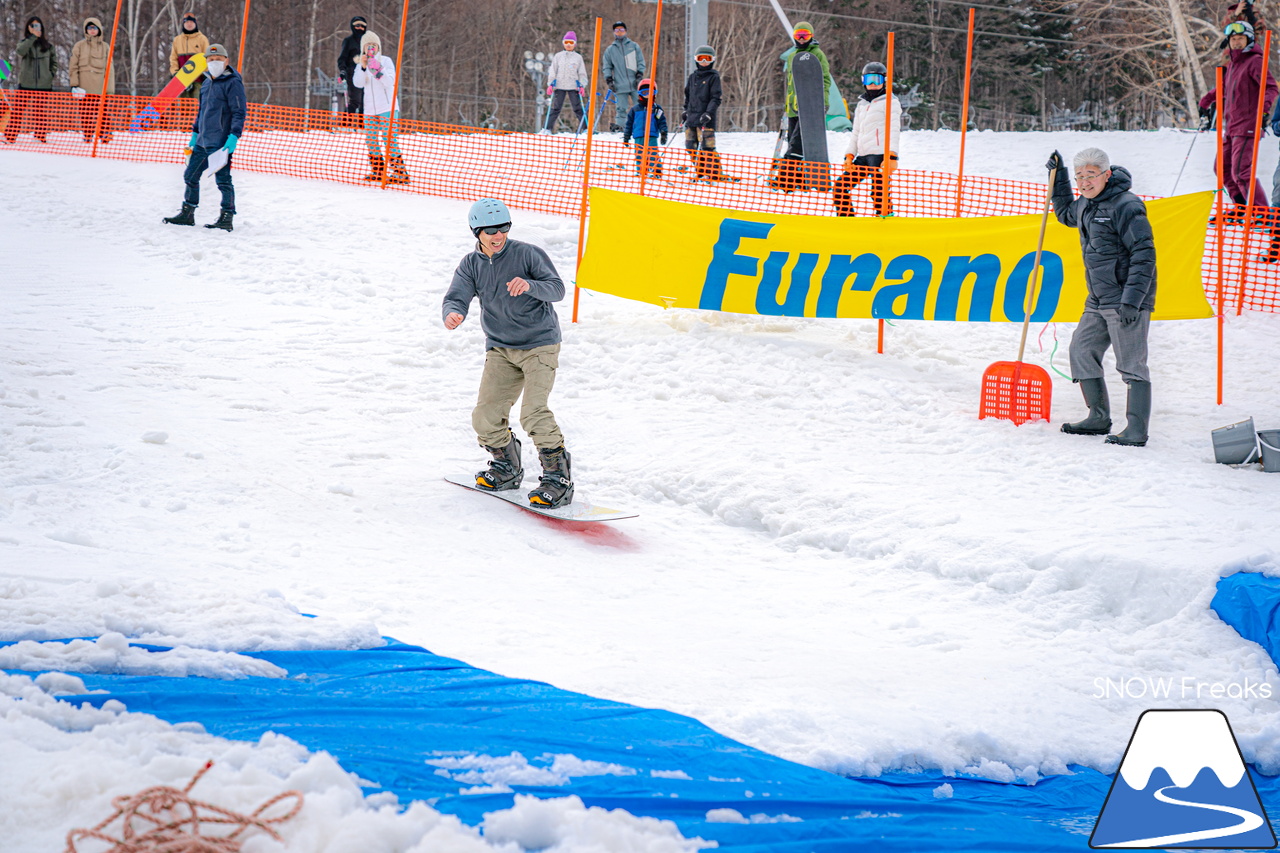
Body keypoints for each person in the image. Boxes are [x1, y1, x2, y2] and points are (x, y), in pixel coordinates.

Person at [442, 198, 575, 509]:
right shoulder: (471, 264)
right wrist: (453, 313)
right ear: (477, 232)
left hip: (539, 344)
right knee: (485, 417)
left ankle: (558, 480)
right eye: (490, 230)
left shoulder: (527, 254)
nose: (498, 235)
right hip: (501, 348)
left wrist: (530, 285)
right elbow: (456, 296)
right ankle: (506, 468)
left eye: (503, 228)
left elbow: (557, 289)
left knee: (533, 413)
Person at [1048, 148, 1157, 447]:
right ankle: (1098, 416)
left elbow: (1144, 255)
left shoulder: (1127, 206)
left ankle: (1136, 430)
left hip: (1126, 298)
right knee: (1081, 350)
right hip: (1098, 297)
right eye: (1080, 177)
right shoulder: (1085, 203)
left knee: (1131, 363)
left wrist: (1132, 300)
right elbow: (1065, 214)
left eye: (1090, 175)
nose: (1084, 182)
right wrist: (1059, 180)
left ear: (1107, 175)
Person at [163, 44, 245, 232]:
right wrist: (194, 134)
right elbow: (202, 112)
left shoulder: (233, 82)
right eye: (210, 60)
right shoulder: (206, 82)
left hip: (221, 142)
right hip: (202, 141)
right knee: (190, 175)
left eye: (218, 59)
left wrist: (233, 136)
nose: (214, 63)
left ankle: (227, 216)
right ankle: (188, 213)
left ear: (227, 61)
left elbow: (239, 112)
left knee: (223, 181)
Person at [1198, 21, 1276, 217]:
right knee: (1222, 168)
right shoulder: (1234, 64)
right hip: (1232, 126)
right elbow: (1223, 88)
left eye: (1240, 38)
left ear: (1249, 39)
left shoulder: (1255, 61)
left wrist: (1264, 112)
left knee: (1241, 172)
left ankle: (1261, 212)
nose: (1236, 43)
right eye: (1233, 39)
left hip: (1248, 125)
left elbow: (1271, 87)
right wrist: (1205, 102)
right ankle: (1242, 207)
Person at [833, 61, 900, 217]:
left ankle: (885, 224)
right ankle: (847, 220)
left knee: (879, 195)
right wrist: (849, 155)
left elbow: (894, 129)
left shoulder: (890, 102)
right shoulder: (862, 104)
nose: (871, 84)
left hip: (880, 157)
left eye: (876, 80)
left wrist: (892, 155)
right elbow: (856, 132)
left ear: (884, 81)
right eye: (868, 80)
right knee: (840, 187)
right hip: (862, 157)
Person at [778, 21, 832, 191]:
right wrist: (788, 107)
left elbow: (824, 80)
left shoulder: (817, 54)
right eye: (798, 36)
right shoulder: (793, 55)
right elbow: (791, 85)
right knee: (793, 143)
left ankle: (785, 180)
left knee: (796, 144)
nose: (801, 39)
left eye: (805, 36)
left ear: (811, 36)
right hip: (794, 109)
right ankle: (799, 180)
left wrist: (822, 103)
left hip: (810, 107)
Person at [352, 30, 409, 185]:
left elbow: (389, 81)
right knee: (371, 140)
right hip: (370, 109)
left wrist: (377, 69)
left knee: (389, 139)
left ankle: (400, 173)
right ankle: (377, 170)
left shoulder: (386, 61)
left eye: (374, 45)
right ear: (363, 48)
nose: (371, 48)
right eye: (368, 46)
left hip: (387, 108)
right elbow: (357, 83)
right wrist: (363, 68)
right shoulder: (361, 64)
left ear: (378, 47)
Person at [681, 44, 735, 182]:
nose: (704, 62)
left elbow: (716, 98)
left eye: (707, 59)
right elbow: (688, 96)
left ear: (712, 60)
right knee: (690, 146)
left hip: (706, 119)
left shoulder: (713, 77)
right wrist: (685, 111)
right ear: (696, 60)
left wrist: (708, 113)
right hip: (692, 118)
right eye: (701, 59)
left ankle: (714, 173)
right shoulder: (692, 77)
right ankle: (700, 170)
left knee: (707, 147)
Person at [5, 17, 57, 145]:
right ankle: (10, 136)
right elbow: (20, 51)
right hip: (26, 83)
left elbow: (54, 63)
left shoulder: (48, 46)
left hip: (43, 84)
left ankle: (40, 136)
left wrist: (50, 75)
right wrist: (32, 37)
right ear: (28, 28)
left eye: (38, 26)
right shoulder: (25, 43)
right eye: (33, 26)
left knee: (40, 112)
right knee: (18, 111)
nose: (36, 28)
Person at [70, 17, 116, 145]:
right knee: (85, 114)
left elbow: (109, 69)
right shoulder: (79, 46)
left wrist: (109, 90)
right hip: (84, 88)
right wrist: (74, 84)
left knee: (103, 113)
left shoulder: (105, 47)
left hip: (100, 88)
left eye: (94, 28)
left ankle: (105, 134)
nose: (92, 30)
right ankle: (87, 135)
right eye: (89, 28)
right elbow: (73, 66)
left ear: (99, 29)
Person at [600, 22, 646, 133]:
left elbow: (640, 61)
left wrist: (639, 75)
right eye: (617, 30)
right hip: (620, 84)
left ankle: (641, 126)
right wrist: (609, 80)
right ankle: (621, 128)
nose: (619, 32)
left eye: (621, 30)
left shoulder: (633, 46)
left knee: (640, 106)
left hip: (635, 83)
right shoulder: (610, 50)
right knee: (621, 108)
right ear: (614, 33)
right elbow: (607, 66)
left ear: (626, 31)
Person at [541, 31, 588, 134]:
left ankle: (585, 128)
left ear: (574, 44)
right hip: (559, 85)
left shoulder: (578, 57)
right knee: (556, 108)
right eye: (566, 42)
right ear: (563, 43)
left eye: (571, 42)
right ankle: (547, 128)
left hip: (573, 85)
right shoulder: (558, 56)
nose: (568, 44)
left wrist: (582, 85)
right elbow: (553, 70)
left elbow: (582, 73)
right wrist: (550, 84)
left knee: (577, 108)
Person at [622, 78, 668, 178]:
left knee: (652, 154)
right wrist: (626, 136)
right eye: (644, 92)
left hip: (651, 135)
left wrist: (663, 132)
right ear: (640, 93)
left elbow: (662, 121)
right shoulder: (635, 109)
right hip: (638, 136)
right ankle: (641, 170)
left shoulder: (656, 109)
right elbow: (629, 124)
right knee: (639, 154)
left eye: (651, 92)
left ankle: (656, 171)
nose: (647, 94)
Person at [337, 16, 368, 128]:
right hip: (353, 73)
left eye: (362, 26)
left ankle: (362, 125)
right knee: (355, 100)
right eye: (357, 26)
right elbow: (342, 58)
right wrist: (343, 71)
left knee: (366, 101)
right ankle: (346, 124)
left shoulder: (368, 41)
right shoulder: (348, 41)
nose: (359, 28)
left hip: (367, 73)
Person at [169, 13, 209, 100]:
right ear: (183, 24)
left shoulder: (202, 39)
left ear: (195, 23)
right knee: (184, 106)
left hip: (198, 79)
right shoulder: (177, 40)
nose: (189, 24)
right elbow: (173, 58)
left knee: (196, 105)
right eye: (187, 22)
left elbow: (207, 58)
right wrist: (175, 72)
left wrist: (206, 73)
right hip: (182, 80)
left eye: (191, 22)